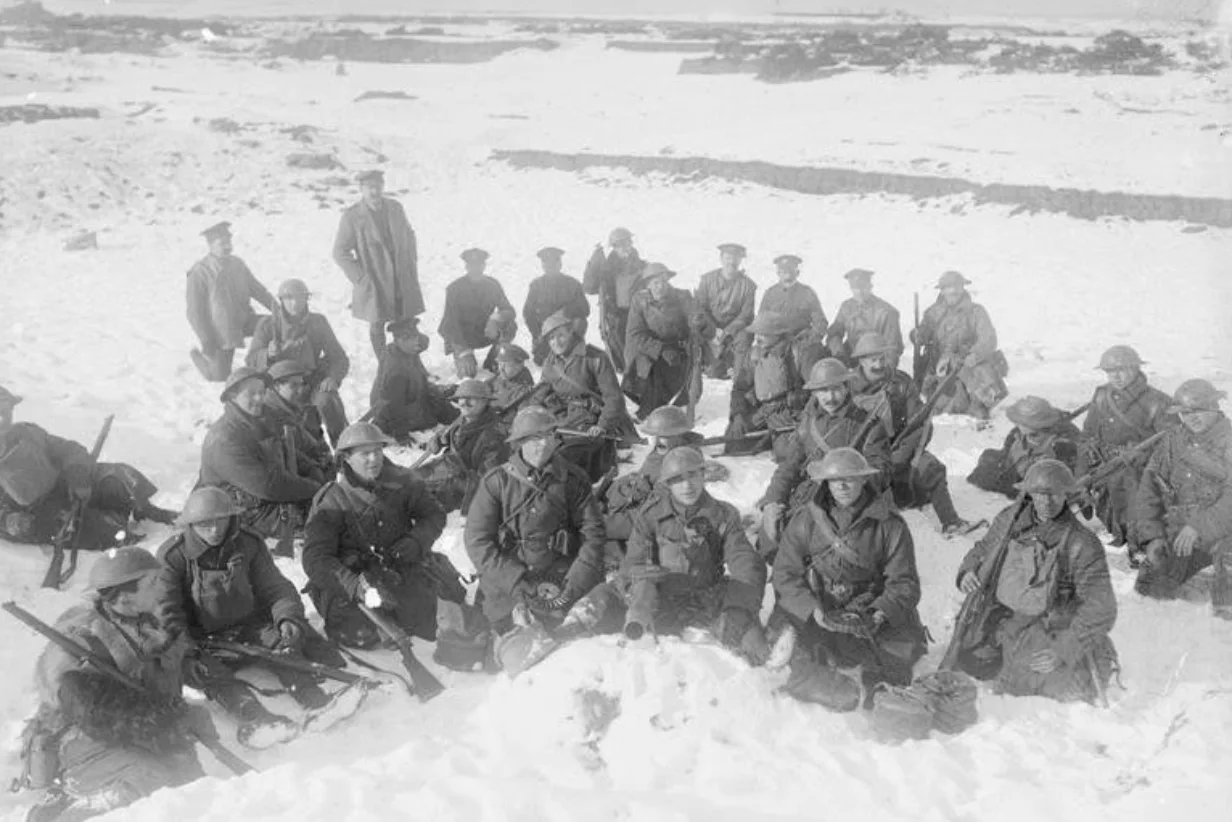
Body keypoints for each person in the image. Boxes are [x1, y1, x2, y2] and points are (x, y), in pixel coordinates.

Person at [23, 548, 210, 821]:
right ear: (124, 598)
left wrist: (183, 712)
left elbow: (159, 677)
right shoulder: (81, 637)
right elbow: (91, 708)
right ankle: (67, 810)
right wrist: (165, 720)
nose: (163, 586)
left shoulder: (148, 622)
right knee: (152, 780)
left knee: (191, 782)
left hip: (135, 729)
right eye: (153, 582)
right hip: (80, 740)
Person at [157, 488, 344, 737]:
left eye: (220, 520)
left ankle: (317, 702)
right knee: (210, 674)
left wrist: (287, 617)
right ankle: (256, 718)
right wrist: (188, 651)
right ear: (191, 524)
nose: (214, 530)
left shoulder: (248, 543)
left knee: (283, 647)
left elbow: (276, 587)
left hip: (250, 626)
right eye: (205, 523)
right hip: (202, 640)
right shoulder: (172, 557)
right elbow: (167, 613)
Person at [560, 446, 770, 662]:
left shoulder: (723, 515)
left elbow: (745, 561)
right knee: (601, 597)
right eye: (678, 479)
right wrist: (640, 589)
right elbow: (633, 561)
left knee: (749, 633)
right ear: (668, 484)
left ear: (703, 475)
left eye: (693, 475)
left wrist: (738, 609)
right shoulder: (651, 514)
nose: (687, 485)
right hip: (657, 595)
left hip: (704, 595)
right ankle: (564, 640)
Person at [773, 449, 927, 711]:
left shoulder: (889, 525)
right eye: (835, 480)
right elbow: (785, 573)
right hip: (822, 608)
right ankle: (825, 684)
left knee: (897, 656)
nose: (842, 486)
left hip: (868, 613)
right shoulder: (805, 519)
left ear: (864, 480)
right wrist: (812, 610)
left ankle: (878, 694)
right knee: (785, 638)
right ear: (826, 483)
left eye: (850, 479)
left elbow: (904, 583)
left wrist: (878, 613)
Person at [955, 460, 1118, 701]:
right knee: (971, 658)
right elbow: (983, 549)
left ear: (1067, 495)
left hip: (1051, 625)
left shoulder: (1081, 543)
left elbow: (1101, 608)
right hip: (1006, 616)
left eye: (1054, 494)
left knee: (1039, 680)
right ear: (1028, 492)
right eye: (1039, 494)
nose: (1046, 502)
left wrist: (1062, 649)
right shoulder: (1010, 520)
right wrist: (968, 570)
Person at [463, 406, 605, 670]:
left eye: (548, 435)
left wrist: (575, 582)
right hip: (508, 582)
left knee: (581, 649)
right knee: (513, 655)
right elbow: (477, 540)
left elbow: (593, 535)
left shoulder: (573, 480)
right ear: (518, 443)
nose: (542, 444)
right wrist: (514, 581)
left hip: (560, 577)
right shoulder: (497, 481)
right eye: (533, 438)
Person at [302, 422, 448, 648]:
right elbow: (316, 559)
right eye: (365, 454)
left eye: (378, 451)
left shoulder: (403, 482)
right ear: (347, 458)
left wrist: (416, 541)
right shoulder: (332, 499)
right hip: (353, 582)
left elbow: (434, 515)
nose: (374, 459)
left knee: (428, 622)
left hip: (396, 570)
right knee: (359, 633)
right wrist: (355, 586)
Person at [0, 386, 175, 552]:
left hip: (66, 487)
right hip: (35, 514)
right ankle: (131, 540)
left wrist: (78, 475)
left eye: (4, 411)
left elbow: (69, 450)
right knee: (98, 529)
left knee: (120, 476)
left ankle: (144, 509)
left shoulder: (27, 432)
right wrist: (7, 521)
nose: (1, 418)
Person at [756, 359, 891, 560]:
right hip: (810, 494)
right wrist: (773, 500)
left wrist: (847, 478)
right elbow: (788, 466)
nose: (830, 397)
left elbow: (880, 471)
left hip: (849, 497)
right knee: (769, 539)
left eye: (836, 389)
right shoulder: (809, 424)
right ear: (815, 393)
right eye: (823, 390)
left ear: (846, 388)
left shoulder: (869, 424)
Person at [849, 333, 980, 536]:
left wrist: (900, 456)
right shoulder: (847, 387)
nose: (878, 364)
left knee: (932, 468)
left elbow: (919, 424)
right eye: (872, 360)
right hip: (862, 456)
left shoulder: (901, 382)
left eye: (882, 358)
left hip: (898, 451)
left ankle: (951, 522)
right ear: (861, 361)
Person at [1133, 378, 1232, 618]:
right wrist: (1153, 536)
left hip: (1225, 531)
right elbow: (1150, 488)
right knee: (1151, 589)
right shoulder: (1173, 441)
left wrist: (1199, 526)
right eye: (1185, 413)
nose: (1191, 418)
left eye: (1199, 410)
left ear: (1216, 408)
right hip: (1182, 532)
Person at [199, 368, 321, 539]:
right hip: (238, 511)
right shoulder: (224, 438)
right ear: (232, 396)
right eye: (251, 394)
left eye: (261, 392)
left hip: (266, 498)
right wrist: (317, 489)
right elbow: (268, 486)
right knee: (327, 516)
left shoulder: (260, 420)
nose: (259, 399)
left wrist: (313, 470)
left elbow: (287, 450)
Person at [1078, 345, 1171, 564]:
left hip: (1140, 471)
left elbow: (1171, 444)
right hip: (1104, 465)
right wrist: (1081, 473)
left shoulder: (1157, 401)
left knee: (1131, 492)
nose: (1116, 377)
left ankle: (1139, 546)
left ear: (1136, 369)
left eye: (1122, 370)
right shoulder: (1102, 396)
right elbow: (1088, 435)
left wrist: (1143, 457)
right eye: (1110, 372)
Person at [528, 310, 637, 482]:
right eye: (551, 339)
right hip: (563, 421)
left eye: (560, 335)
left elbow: (614, 399)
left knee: (568, 458)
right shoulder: (550, 362)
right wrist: (528, 417)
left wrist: (602, 425)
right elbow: (540, 394)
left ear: (571, 333)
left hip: (593, 422)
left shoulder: (595, 358)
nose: (556, 342)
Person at [245, 278, 350, 446]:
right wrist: (268, 354)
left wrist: (333, 378)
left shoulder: (318, 322)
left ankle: (345, 447)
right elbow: (251, 360)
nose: (295, 303)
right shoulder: (267, 325)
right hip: (280, 386)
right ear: (281, 301)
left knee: (327, 400)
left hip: (310, 380)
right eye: (290, 298)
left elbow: (338, 358)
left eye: (300, 298)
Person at [598, 406, 704, 571]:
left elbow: (650, 513)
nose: (658, 440)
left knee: (594, 531)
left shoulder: (681, 465)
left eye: (664, 436)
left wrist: (604, 522)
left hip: (654, 524)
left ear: (678, 435)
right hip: (637, 507)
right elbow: (644, 476)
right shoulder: (662, 452)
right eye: (657, 436)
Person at [332, 170, 424, 358]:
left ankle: (411, 362)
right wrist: (361, 278)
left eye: (377, 186)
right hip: (375, 279)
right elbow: (339, 252)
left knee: (406, 320)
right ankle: (384, 364)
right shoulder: (352, 216)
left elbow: (409, 234)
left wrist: (410, 262)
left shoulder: (395, 208)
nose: (374, 192)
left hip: (400, 275)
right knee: (377, 323)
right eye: (369, 188)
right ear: (362, 189)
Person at [185, 221, 276, 382]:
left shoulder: (237, 264)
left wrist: (277, 309)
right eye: (222, 243)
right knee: (219, 377)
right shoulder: (200, 272)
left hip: (244, 319)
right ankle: (197, 356)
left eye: (228, 242)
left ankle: (263, 364)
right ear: (211, 245)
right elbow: (194, 312)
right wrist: (207, 339)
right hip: (222, 331)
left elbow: (256, 289)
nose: (227, 247)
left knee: (275, 326)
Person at [912, 271, 1007, 419]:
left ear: (963, 288)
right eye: (948, 287)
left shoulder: (976, 311)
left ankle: (979, 405)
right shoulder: (932, 313)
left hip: (967, 365)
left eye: (957, 286)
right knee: (942, 405)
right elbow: (923, 334)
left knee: (981, 372)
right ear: (942, 291)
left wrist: (974, 355)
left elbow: (988, 339)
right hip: (941, 367)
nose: (953, 291)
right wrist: (917, 335)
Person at [722, 311, 809, 458]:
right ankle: (767, 438)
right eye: (756, 333)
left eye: (763, 334)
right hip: (763, 411)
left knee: (787, 454)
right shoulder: (754, 354)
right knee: (734, 444)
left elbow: (816, 390)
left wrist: (799, 402)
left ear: (778, 334)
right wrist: (738, 415)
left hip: (788, 413)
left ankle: (775, 440)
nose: (757, 338)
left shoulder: (799, 352)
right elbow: (739, 388)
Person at [415, 379, 510, 514]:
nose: (464, 403)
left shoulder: (494, 435)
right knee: (408, 480)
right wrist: (438, 441)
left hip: (466, 487)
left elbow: (489, 479)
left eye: (471, 399)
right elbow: (450, 438)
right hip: (448, 470)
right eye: (461, 399)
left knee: (416, 495)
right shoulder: (462, 420)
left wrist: (451, 481)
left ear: (485, 401)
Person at [968, 396, 1081, 499]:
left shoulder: (1062, 446)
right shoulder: (1017, 433)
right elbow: (1007, 454)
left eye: (1032, 433)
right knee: (989, 457)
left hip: (1036, 482)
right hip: (1016, 470)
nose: (1020, 427)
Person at [623, 262, 695, 419]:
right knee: (645, 366)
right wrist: (661, 349)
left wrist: (695, 328)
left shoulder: (683, 297)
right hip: (652, 351)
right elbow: (635, 334)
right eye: (655, 282)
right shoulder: (639, 301)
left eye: (663, 281)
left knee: (677, 397)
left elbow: (694, 321)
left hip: (677, 352)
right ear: (648, 284)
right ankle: (648, 410)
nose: (660, 286)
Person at [370, 317, 459, 441]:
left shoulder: (400, 349)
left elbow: (423, 343)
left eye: (416, 337)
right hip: (396, 412)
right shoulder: (396, 371)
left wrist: (412, 328)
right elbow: (394, 405)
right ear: (399, 340)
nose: (417, 343)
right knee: (440, 410)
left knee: (443, 401)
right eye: (411, 339)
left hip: (411, 396)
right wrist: (401, 435)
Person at [438, 248, 518, 378]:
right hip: (461, 336)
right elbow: (450, 323)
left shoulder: (493, 285)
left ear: (484, 266)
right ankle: (465, 359)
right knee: (468, 374)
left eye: (479, 265)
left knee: (510, 325)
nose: (476, 269)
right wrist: (463, 351)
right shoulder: (454, 289)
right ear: (466, 266)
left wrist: (495, 318)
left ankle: (494, 358)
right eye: (472, 265)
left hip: (483, 331)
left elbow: (509, 310)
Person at [583, 226, 646, 372]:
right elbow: (589, 287)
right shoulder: (606, 269)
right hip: (616, 313)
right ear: (614, 247)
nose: (625, 248)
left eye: (627, 243)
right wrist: (593, 264)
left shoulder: (642, 266)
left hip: (639, 312)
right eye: (620, 245)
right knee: (617, 336)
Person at [756, 254, 828, 379]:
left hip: (802, 342)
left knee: (810, 366)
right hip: (776, 342)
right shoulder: (770, 293)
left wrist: (811, 339)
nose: (787, 274)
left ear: (797, 272)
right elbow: (761, 322)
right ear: (778, 272)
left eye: (790, 270)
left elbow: (820, 322)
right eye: (783, 271)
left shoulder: (807, 293)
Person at [261, 361, 333, 482]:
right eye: (293, 386)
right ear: (277, 386)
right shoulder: (268, 415)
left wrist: (322, 454)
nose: (300, 391)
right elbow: (285, 455)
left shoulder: (290, 408)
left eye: (301, 384)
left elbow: (308, 441)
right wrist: (314, 466)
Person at [694, 243, 757, 380]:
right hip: (710, 328)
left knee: (745, 336)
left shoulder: (748, 286)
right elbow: (700, 307)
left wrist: (727, 331)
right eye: (728, 257)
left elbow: (746, 314)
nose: (731, 262)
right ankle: (702, 365)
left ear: (740, 261)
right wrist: (714, 330)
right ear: (721, 259)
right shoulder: (707, 280)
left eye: (735, 259)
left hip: (734, 331)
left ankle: (739, 373)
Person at [523, 247, 590, 366]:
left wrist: (565, 312)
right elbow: (528, 313)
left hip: (567, 333)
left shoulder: (572, 284)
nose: (550, 267)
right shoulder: (536, 285)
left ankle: (575, 350)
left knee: (580, 322)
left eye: (554, 263)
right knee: (544, 363)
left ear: (560, 264)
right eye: (547, 264)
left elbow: (585, 309)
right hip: (545, 334)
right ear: (542, 266)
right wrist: (537, 333)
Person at [826, 268, 904, 369]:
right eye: (855, 288)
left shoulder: (887, 312)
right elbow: (835, 332)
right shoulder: (847, 306)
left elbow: (893, 347)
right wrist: (838, 352)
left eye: (863, 287)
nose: (859, 292)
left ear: (870, 287)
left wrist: (886, 371)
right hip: (851, 357)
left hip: (876, 360)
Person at [490, 343, 536, 420]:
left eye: (506, 365)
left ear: (519, 365)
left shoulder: (525, 391)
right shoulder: (497, 379)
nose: (501, 369)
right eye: (500, 364)